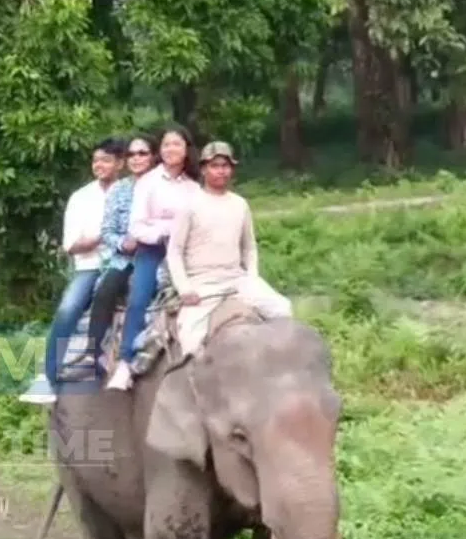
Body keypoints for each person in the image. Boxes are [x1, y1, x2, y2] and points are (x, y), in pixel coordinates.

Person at [167, 142, 292, 354]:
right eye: (215, 166)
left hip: (237, 280)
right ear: (204, 169)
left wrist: (252, 276)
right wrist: (184, 288)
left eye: (225, 166)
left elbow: (249, 247)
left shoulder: (240, 204)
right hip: (202, 284)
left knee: (283, 309)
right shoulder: (189, 204)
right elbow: (174, 251)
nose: (221, 171)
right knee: (190, 341)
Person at [56, 133, 159, 384]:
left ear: (153, 157)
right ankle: (91, 356)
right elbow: (108, 230)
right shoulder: (120, 190)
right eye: (132, 154)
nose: (136, 158)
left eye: (142, 153)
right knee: (104, 291)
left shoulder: (165, 186)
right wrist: (123, 243)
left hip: (159, 255)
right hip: (125, 258)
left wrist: (152, 238)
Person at [108, 126, 201, 392]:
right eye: (166, 144)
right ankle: (126, 362)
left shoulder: (194, 187)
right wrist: (165, 230)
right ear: (161, 151)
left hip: (184, 251)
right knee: (139, 299)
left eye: (177, 144)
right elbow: (137, 227)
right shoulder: (148, 182)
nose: (171, 149)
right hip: (153, 249)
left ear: (186, 150)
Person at [41, 137, 126, 390]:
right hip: (89, 266)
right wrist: (105, 236)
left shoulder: (131, 192)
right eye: (96, 160)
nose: (99, 165)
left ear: (120, 163)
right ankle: (49, 374)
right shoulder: (81, 197)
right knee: (68, 309)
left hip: (123, 263)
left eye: (106, 160)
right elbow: (71, 244)